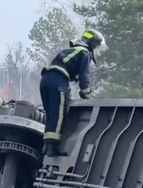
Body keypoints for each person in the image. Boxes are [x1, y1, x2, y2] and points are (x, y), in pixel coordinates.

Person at [39, 29, 105, 158]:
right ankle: (54, 149)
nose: (97, 50)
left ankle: (46, 146)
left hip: (45, 80)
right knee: (59, 115)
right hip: (58, 82)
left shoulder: (72, 50)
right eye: (97, 46)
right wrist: (87, 94)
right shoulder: (85, 53)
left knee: (51, 114)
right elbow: (84, 76)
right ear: (92, 44)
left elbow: (66, 66)